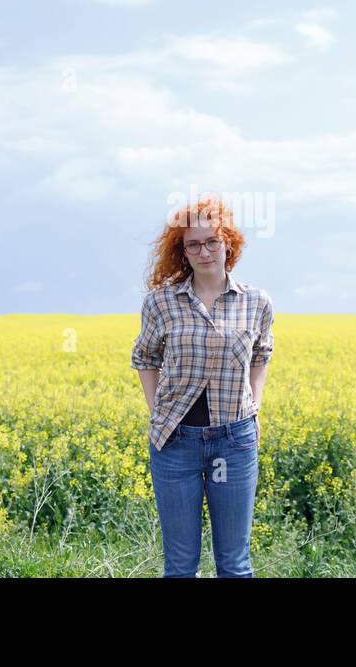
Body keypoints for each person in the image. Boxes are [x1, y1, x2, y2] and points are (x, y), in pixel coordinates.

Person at [131, 195, 274, 577]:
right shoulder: (161, 302)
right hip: (175, 441)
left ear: (228, 242)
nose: (204, 251)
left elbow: (261, 355)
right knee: (180, 565)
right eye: (193, 244)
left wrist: (254, 406)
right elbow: (145, 358)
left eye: (212, 240)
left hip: (235, 438)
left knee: (235, 563)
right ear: (182, 251)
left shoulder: (256, 302)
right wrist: (156, 411)